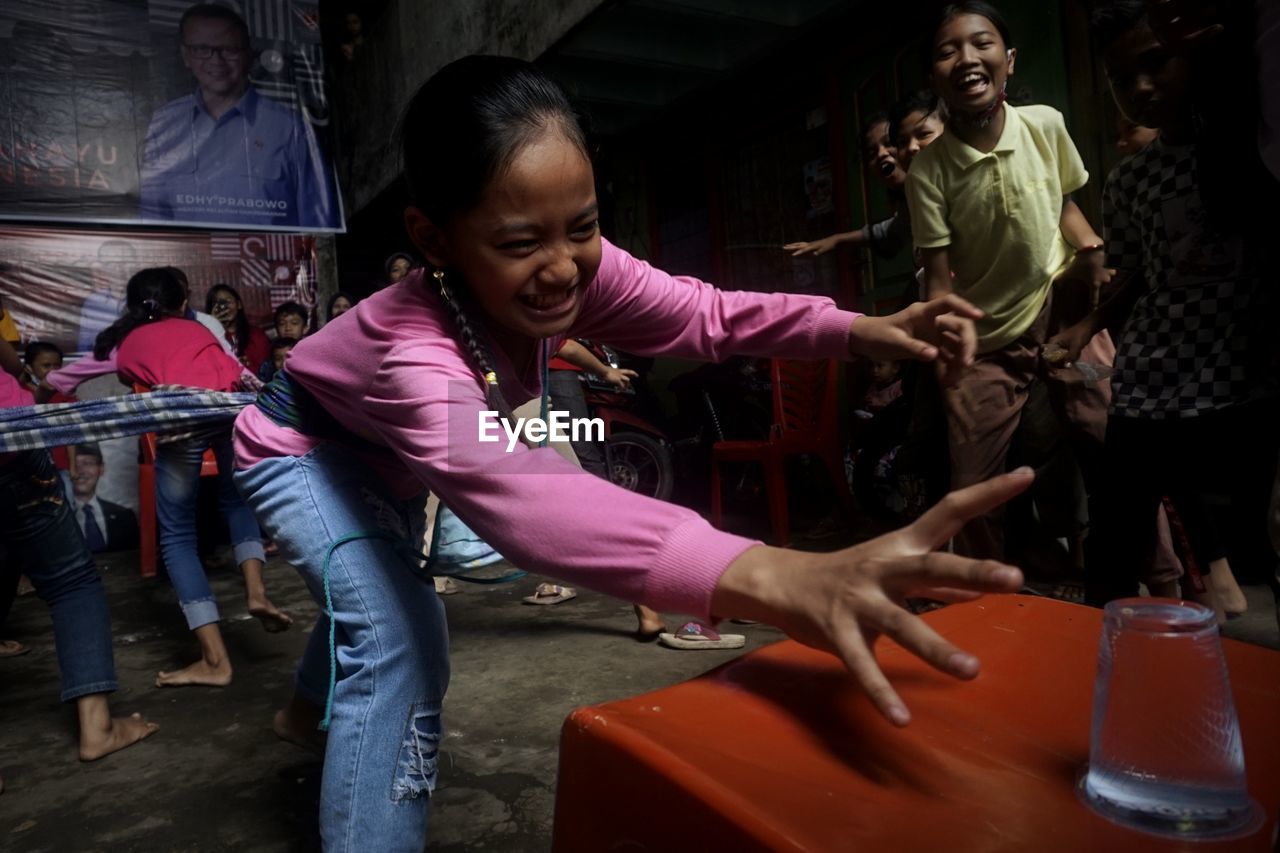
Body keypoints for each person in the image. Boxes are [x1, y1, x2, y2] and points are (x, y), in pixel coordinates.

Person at [232, 55, 1030, 851]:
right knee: (404, 634)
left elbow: (708, 316)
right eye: (519, 241)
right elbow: (524, 497)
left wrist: (857, 330)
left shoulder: (576, 265)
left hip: (390, 461)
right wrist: (778, 573)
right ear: (432, 238)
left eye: (582, 226)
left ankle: (305, 711)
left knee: (375, 586)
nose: (562, 268)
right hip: (303, 450)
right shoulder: (410, 354)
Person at [1053, 1, 1278, 612]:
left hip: (1244, 375)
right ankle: (1106, 666)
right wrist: (1087, 324)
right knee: (1114, 538)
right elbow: (1137, 273)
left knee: (1262, 543)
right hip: (1151, 380)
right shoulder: (1128, 182)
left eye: (1156, 65)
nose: (1141, 88)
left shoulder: (1250, 151)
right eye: (1122, 79)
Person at [904, 1, 1113, 561]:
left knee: (1109, 438)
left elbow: (1062, 202)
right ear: (933, 77)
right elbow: (940, 278)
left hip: (1061, 304)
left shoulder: (1045, 124)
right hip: (987, 337)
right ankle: (988, 597)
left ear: (1009, 60)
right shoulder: (928, 171)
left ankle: (1164, 585)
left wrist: (1090, 248)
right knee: (972, 486)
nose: (967, 58)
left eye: (981, 44)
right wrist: (946, 345)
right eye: (947, 52)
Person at [96, 268, 290, 689]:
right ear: (183, 302)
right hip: (229, 413)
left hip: (182, 427)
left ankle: (215, 660)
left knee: (177, 536)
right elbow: (233, 369)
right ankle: (256, 591)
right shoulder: (200, 330)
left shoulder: (129, 343)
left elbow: (135, 379)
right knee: (237, 501)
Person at [0, 340, 159, 764]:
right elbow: (9, 361)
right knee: (74, 585)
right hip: (9, 445)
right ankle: (97, 727)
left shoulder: (114, 513)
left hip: (14, 440)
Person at [138, 4, 338, 228]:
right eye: (202, 49)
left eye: (229, 49)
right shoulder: (165, 123)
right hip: (186, 261)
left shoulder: (289, 127)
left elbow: (318, 219)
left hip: (272, 261)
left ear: (248, 55)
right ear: (186, 56)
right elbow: (153, 218)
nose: (216, 60)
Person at [783, 112, 910, 258]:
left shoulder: (934, 190)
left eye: (888, 143)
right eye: (871, 152)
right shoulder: (908, 201)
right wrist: (837, 239)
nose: (881, 153)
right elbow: (892, 229)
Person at [69, 443, 139, 553]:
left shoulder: (125, 516)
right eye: (73, 464)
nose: (79, 471)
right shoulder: (57, 520)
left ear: (101, 468)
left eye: (87, 463)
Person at [207, 283, 271, 369]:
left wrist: (247, 366)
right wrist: (212, 324)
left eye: (228, 302)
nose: (223, 307)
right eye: (218, 304)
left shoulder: (256, 335)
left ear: (239, 304)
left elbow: (266, 369)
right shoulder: (207, 336)